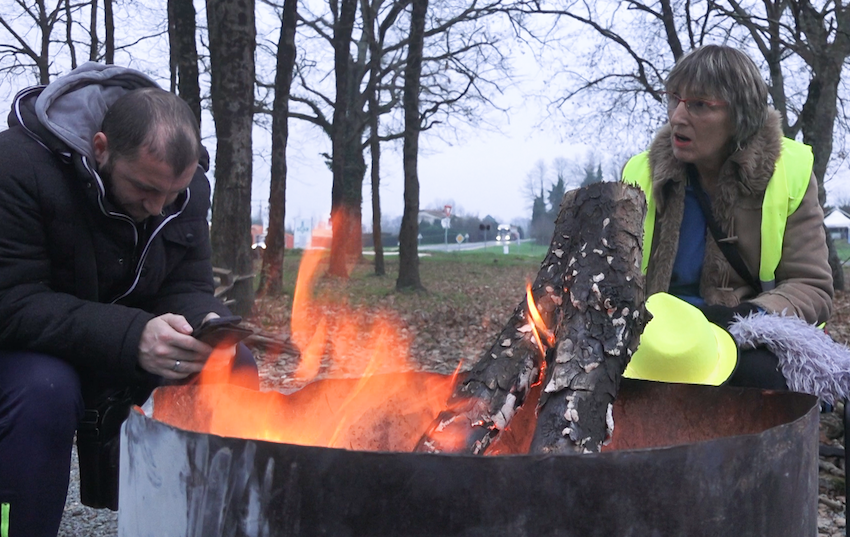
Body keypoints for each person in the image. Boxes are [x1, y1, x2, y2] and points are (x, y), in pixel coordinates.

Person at [0, 63, 259, 537]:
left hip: (118, 339)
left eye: (173, 192)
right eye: (145, 188)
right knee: (46, 391)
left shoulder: (186, 187)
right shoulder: (14, 166)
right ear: (100, 149)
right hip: (25, 348)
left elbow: (186, 284)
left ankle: (202, 525)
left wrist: (208, 322)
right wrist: (133, 335)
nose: (159, 206)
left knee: (231, 364)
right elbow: (12, 301)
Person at [622, 45, 834, 390]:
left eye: (700, 105)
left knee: (768, 385)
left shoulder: (788, 171)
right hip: (655, 340)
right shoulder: (639, 172)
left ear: (741, 117)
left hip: (742, 337)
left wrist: (742, 319)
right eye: (674, 99)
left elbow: (811, 288)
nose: (677, 116)